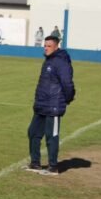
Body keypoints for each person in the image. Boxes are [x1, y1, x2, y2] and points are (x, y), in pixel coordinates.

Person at [26, 36, 75, 176]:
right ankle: (35, 163)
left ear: (56, 46)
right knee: (33, 132)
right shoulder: (48, 60)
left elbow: (67, 84)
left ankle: (53, 166)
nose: (46, 48)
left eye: (49, 46)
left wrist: (67, 98)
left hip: (53, 106)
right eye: (45, 45)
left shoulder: (61, 62)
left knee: (51, 136)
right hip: (41, 104)